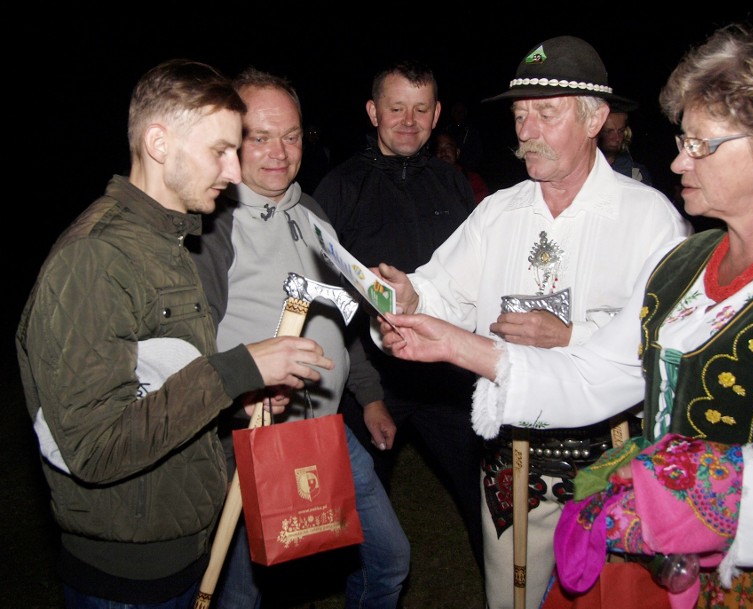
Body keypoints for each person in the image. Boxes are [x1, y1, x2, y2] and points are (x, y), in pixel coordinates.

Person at [379, 22, 753, 609]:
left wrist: (687, 493)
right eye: (684, 140)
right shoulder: (689, 265)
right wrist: (451, 342)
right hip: (663, 566)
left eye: (702, 144)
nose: (678, 161)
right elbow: (596, 376)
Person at [368, 36, 693, 609]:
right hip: (511, 463)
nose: (525, 130)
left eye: (546, 112)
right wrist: (406, 299)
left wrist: (571, 336)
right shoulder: (499, 212)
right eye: (520, 115)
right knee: (510, 598)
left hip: (611, 467)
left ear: (595, 119)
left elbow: (665, 343)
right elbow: (444, 290)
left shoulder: (648, 218)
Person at [15, 59, 336, 609]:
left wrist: (243, 396)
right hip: (125, 580)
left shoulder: (171, 244)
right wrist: (239, 368)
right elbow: (94, 448)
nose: (235, 171)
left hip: (184, 552)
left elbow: (163, 385)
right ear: (160, 143)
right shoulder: (96, 259)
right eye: (220, 151)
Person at [188, 67, 409, 609]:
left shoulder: (311, 213)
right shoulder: (212, 225)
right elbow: (188, 344)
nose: (279, 153)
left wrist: (371, 394)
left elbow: (336, 315)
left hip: (327, 430)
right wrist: (238, 396)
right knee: (241, 593)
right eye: (259, 137)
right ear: (230, 141)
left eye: (290, 136)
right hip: (251, 440)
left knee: (389, 559)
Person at [312, 59, 484, 574]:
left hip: (450, 383)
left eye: (421, 109)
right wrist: (362, 392)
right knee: (360, 522)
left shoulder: (454, 186)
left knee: (485, 507)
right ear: (373, 112)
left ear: (435, 118)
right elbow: (323, 296)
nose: (408, 121)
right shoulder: (339, 188)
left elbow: (475, 280)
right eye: (395, 108)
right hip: (375, 384)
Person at [598, 106, 654, 186]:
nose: (616, 138)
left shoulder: (637, 174)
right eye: (608, 131)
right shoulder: (581, 170)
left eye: (621, 131)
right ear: (595, 130)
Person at [434, 130, 490, 203]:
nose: (443, 152)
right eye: (439, 149)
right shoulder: (428, 180)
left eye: (448, 147)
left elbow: (483, 204)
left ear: (457, 152)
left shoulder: (472, 179)